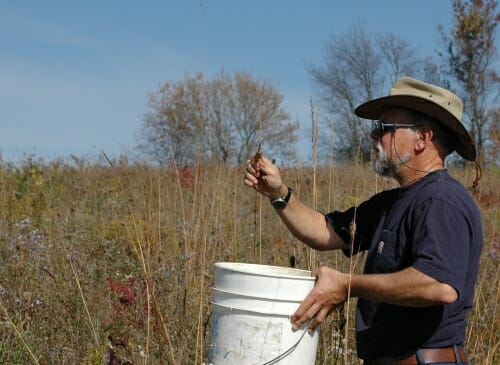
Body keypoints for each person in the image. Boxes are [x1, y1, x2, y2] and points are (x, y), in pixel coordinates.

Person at [243, 77, 482, 365]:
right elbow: (325, 232)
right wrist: (278, 194)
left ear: (423, 138)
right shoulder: (390, 203)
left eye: (384, 128)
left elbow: (438, 284)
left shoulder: (440, 201)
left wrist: (347, 284)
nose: (373, 135)